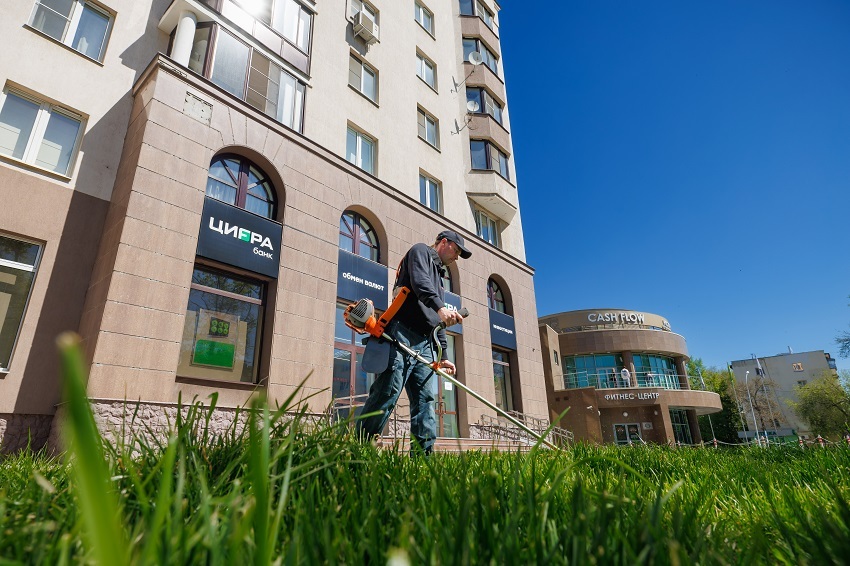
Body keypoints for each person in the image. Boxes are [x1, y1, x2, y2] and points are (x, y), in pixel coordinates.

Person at [356, 230, 471, 454]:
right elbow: (419, 283)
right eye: (456, 251)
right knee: (387, 392)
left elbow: (437, 322)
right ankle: (360, 447)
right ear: (444, 242)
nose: (456, 257)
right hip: (401, 333)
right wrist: (440, 306)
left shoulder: (439, 281)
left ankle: (422, 459)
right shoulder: (421, 252)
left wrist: (443, 356)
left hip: (426, 344)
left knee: (426, 401)